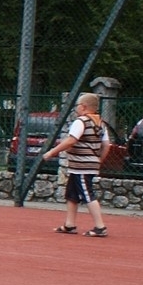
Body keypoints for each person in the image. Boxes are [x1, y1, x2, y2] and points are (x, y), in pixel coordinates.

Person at [41, 92, 111, 237]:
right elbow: (106, 145)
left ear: (84, 107)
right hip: (84, 165)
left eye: (77, 105)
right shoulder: (101, 123)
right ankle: (69, 224)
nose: (76, 108)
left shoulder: (81, 121)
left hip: (82, 166)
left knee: (87, 193)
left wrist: (51, 152)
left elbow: (71, 140)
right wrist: (98, 160)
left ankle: (100, 226)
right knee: (72, 194)